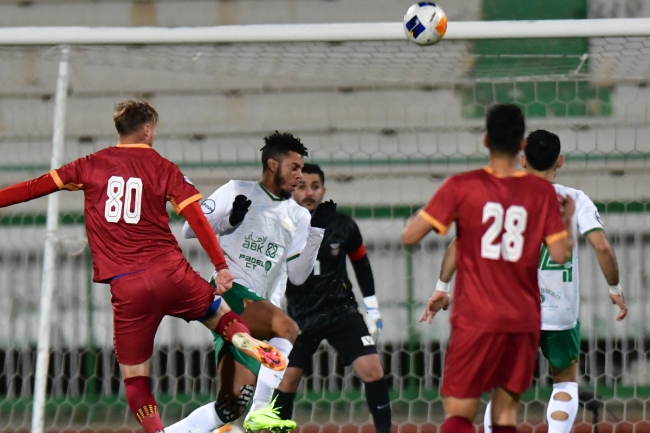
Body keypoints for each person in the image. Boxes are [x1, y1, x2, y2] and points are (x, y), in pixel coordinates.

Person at [0, 100, 285, 433]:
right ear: (147, 129)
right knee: (223, 317)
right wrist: (220, 265)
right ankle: (242, 339)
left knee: (136, 379)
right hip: (172, 274)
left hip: (128, 287)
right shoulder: (163, 167)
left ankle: (156, 431)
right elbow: (196, 217)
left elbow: (33, 188)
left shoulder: (90, 164)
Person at [431, 129, 627, 433]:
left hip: (512, 310)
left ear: (523, 161)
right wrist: (614, 288)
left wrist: (442, 288)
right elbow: (602, 247)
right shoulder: (576, 199)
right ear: (559, 161)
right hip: (560, 311)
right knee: (564, 382)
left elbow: (460, 243)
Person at [401, 104, 575, 433]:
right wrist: (566, 220)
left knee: (459, 414)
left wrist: (439, 210)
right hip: (522, 319)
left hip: (476, 317)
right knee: (505, 416)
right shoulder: (540, 193)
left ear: (485, 140)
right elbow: (560, 254)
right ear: (521, 145)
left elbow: (410, 236)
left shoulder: (462, 187)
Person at [165, 132, 335, 433]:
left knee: (230, 406)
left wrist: (317, 233)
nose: (299, 175)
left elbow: (298, 276)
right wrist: (230, 219)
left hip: (259, 309)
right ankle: (261, 410)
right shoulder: (236, 190)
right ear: (273, 165)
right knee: (287, 328)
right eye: (294, 167)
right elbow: (190, 228)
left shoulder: (298, 216)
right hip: (229, 293)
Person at [262, 163, 392, 433]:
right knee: (285, 379)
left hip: (340, 311)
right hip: (299, 317)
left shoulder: (343, 226)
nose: (309, 193)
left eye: (315, 187)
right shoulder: (280, 226)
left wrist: (372, 309)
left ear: (324, 190)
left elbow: (361, 265)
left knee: (373, 368)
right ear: (292, 189)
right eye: (301, 187)